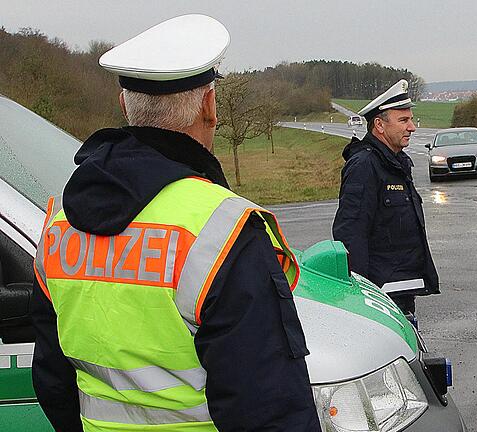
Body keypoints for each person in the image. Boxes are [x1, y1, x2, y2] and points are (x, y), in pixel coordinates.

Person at [30, 15, 321, 431]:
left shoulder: (59, 222)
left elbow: (53, 379)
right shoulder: (224, 230)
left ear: (124, 106)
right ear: (210, 106)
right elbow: (269, 408)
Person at [332, 80, 439, 319]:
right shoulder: (365, 166)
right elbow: (351, 232)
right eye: (403, 121)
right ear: (379, 125)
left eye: (410, 119)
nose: (411, 127)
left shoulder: (396, 163)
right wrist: (364, 296)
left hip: (402, 289)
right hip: (381, 296)